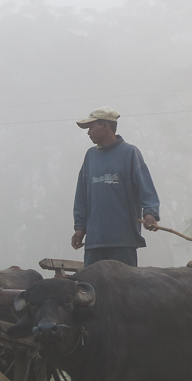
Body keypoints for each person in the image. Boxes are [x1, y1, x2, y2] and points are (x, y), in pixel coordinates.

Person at [72, 106, 160, 267]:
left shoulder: (130, 153)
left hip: (123, 240)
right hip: (95, 241)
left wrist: (150, 213)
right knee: (91, 287)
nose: (88, 132)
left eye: (91, 127)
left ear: (105, 126)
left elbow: (146, 188)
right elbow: (81, 196)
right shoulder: (90, 156)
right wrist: (80, 227)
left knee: (124, 289)